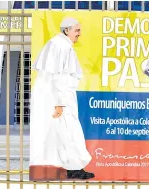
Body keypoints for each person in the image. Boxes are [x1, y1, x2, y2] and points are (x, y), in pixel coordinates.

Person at [29, 17, 94, 179]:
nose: (79, 33)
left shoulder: (58, 44)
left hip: (59, 99)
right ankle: (74, 168)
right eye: (77, 30)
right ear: (67, 30)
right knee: (69, 133)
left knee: (65, 134)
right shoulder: (62, 47)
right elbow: (59, 77)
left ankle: (72, 167)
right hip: (60, 100)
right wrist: (60, 103)